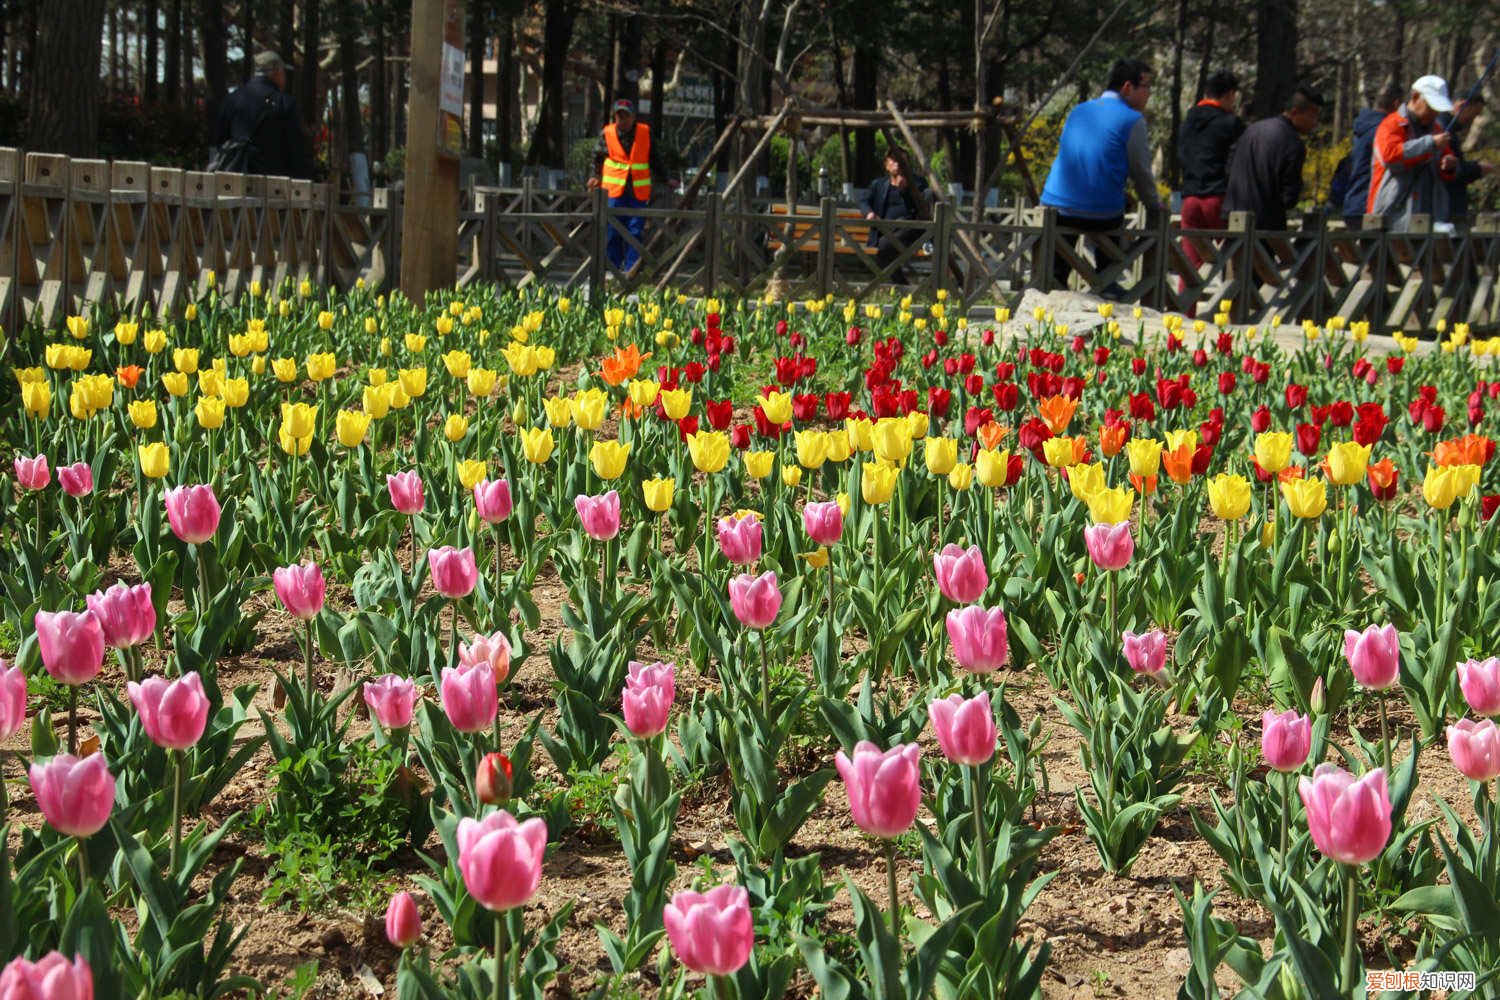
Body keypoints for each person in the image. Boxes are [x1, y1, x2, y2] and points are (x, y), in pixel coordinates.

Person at [1039, 58, 1164, 294]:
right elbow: (1141, 172)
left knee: (1056, 267)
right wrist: (1154, 206)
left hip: (1054, 205)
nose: (1149, 93)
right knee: (1114, 225)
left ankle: (1054, 286)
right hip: (1100, 213)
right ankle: (1107, 283)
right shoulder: (1132, 120)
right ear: (1128, 87)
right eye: (1146, 86)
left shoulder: (1079, 111)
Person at [1176, 70, 1246, 309]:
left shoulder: (1188, 122)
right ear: (1228, 95)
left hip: (1190, 198)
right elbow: (1238, 161)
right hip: (1219, 198)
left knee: (1190, 266)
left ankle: (1184, 318)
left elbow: (1181, 155)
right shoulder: (1230, 123)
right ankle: (1231, 315)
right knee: (1235, 256)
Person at [1367, 75, 1460, 232]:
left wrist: (1450, 166)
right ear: (1415, 97)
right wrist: (1428, 144)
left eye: (1438, 109)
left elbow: (1448, 171)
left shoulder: (1437, 130)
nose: (1435, 113)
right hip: (1388, 219)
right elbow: (1389, 157)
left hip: (1428, 218)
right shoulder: (1392, 124)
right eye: (1431, 107)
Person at [1224, 86, 1323, 231]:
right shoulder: (1293, 143)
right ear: (1295, 112)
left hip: (1233, 215)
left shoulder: (1252, 130)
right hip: (1267, 223)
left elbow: (1229, 167)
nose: (1315, 123)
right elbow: (1289, 192)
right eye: (1312, 116)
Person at [209, 52, 315, 179]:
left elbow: (220, 139)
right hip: (274, 185)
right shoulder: (285, 103)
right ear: (276, 72)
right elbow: (297, 148)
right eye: (283, 72)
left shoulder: (232, 99)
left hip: (233, 179)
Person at [588, 99, 655, 274]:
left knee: (635, 231)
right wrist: (595, 176)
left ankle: (632, 271)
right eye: (619, 116)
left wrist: (667, 178)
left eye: (626, 116)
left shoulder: (645, 132)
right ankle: (611, 269)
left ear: (633, 117)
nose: (622, 119)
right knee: (612, 231)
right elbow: (596, 157)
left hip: (637, 193)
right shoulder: (607, 133)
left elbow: (655, 158)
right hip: (614, 192)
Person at [860, 146, 931, 283]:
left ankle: (902, 290)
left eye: (901, 160)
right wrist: (868, 212)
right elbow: (863, 200)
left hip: (910, 233)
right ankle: (903, 289)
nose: (898, 164)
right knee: (884, 249)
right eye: (894, 160)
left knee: (886, 246)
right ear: (886, 165)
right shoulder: (879, 184)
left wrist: (906, 190)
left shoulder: (918, 183)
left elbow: (923, 208)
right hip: (885, 232)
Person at [1339, 85, 1403, 228]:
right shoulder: (1384, 130)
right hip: (1371, 205)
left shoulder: (1362, 127)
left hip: (1353, 202)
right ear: (1397, 104)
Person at [1439, 96, 1496, 229]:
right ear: (1461, 105)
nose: (1472, 119)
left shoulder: (1449, 129)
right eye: (1474, 113)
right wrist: (1477, 169)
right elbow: (1449, 170)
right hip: (1447, 207)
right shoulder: (1443, 130)